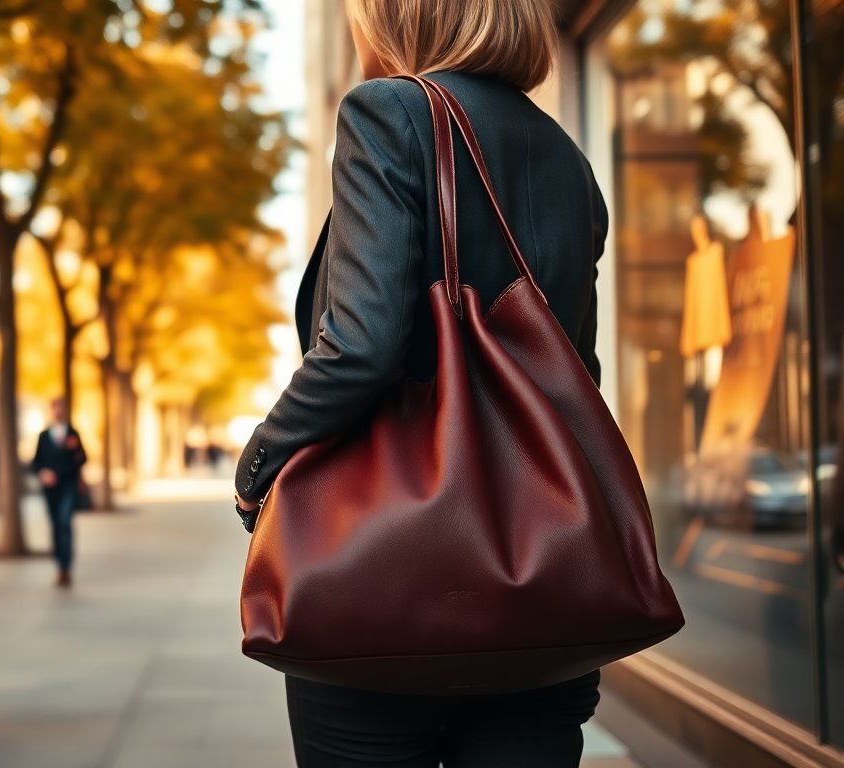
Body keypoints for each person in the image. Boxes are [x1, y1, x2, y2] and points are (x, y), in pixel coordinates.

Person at [231, 1, 609, 765]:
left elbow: (359, 348)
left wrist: (258, 466)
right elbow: (579, 374)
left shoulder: (388, 113)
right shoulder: (568, 157)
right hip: (544, 598)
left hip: (388, 588)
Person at [30, 398, 87, 588]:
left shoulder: (73, 433)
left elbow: (83, 458)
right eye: (55, 409)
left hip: (68, 485)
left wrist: (75, 449)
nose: (58, 412)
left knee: (65, 522)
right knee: (55, 524)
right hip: (50, 488)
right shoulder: (44, 436)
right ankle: (59, 564)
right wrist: (43, 473)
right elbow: (36, 462)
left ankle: (66, 565)